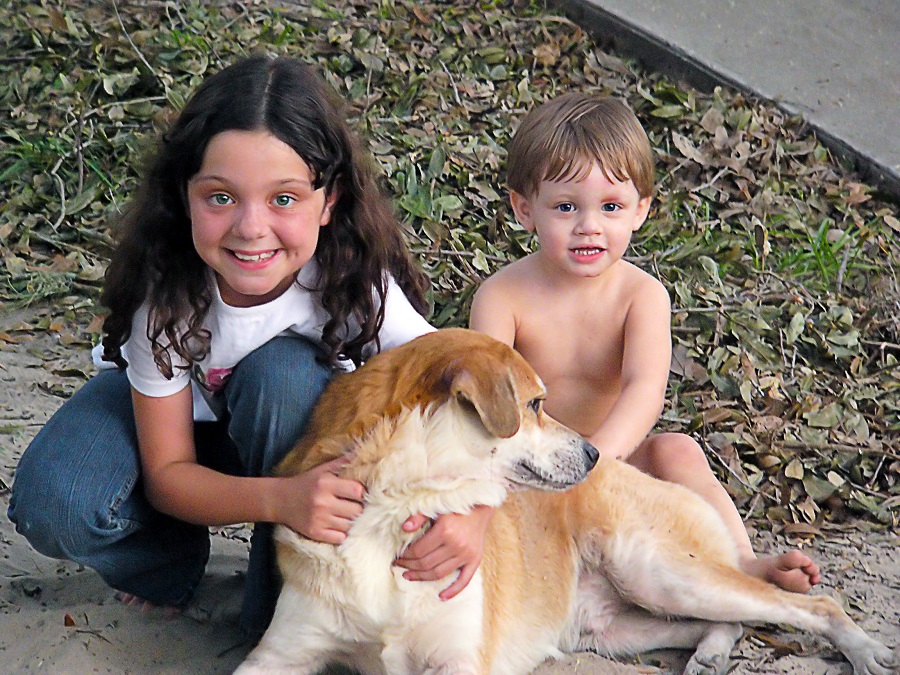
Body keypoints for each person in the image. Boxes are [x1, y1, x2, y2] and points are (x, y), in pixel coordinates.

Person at [7, 55, 489, 639]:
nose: (251, 227)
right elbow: (168, 471)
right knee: (54, 502)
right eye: (221, 198)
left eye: (284, 199)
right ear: (184, 196)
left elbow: (468, 382)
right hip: (176, 434)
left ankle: (272, 606)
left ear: (329, 200)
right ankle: (167, 562)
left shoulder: (353, 280)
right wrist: (280, 499)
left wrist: (478, 514)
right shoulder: (166, 296)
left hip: (291, 440)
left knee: (281, 372)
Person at [470, 92, 821, 593]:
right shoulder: (503, 296)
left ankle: (740, 559)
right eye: (566, 206)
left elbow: (644, 390)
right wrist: (550, 470)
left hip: (616, 460)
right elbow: (492, 398)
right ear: (525, 209)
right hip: (535, 465)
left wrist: (598, 461)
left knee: (677, 450)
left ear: (640, 210)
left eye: (611, 207)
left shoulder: (642, 296)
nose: (589, 226)